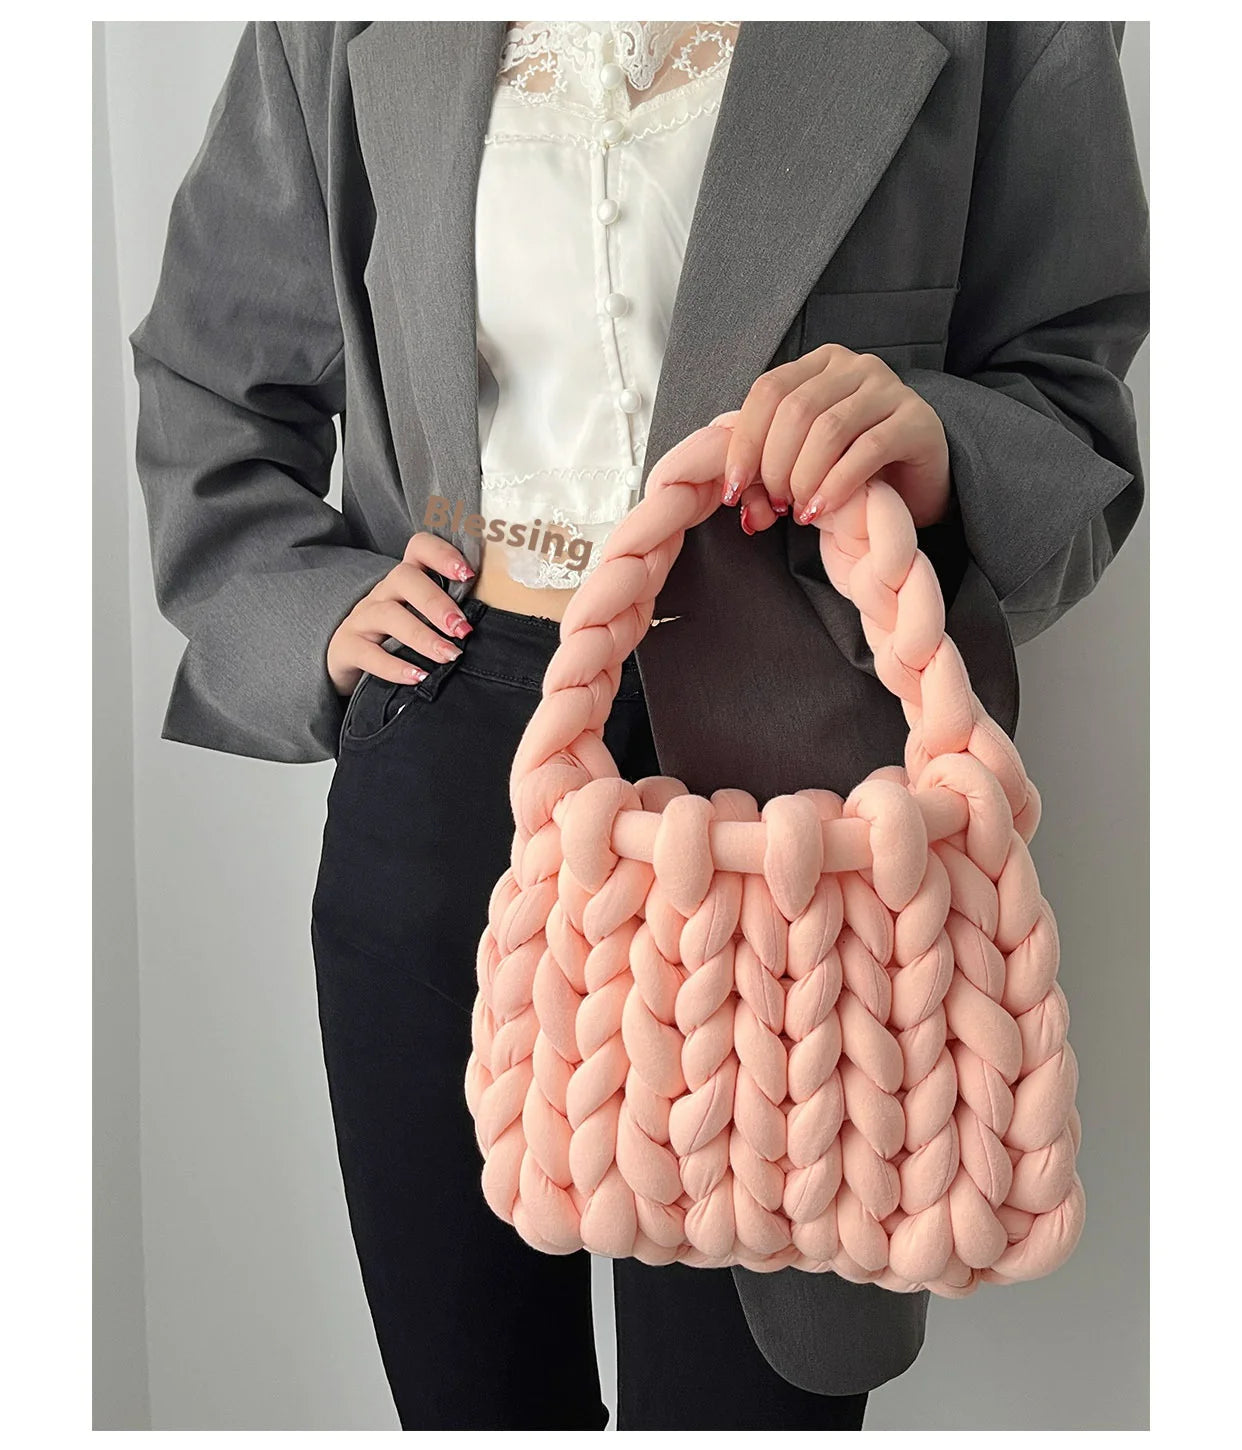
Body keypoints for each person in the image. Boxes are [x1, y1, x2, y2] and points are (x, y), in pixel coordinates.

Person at [129, 19, 1148, 1432]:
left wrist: (931, 438)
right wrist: (304, 604)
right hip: (449, 746)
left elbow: (1070, 401)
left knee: (744, 1408)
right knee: (470, 1400)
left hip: (799, 799)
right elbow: (210, 367)